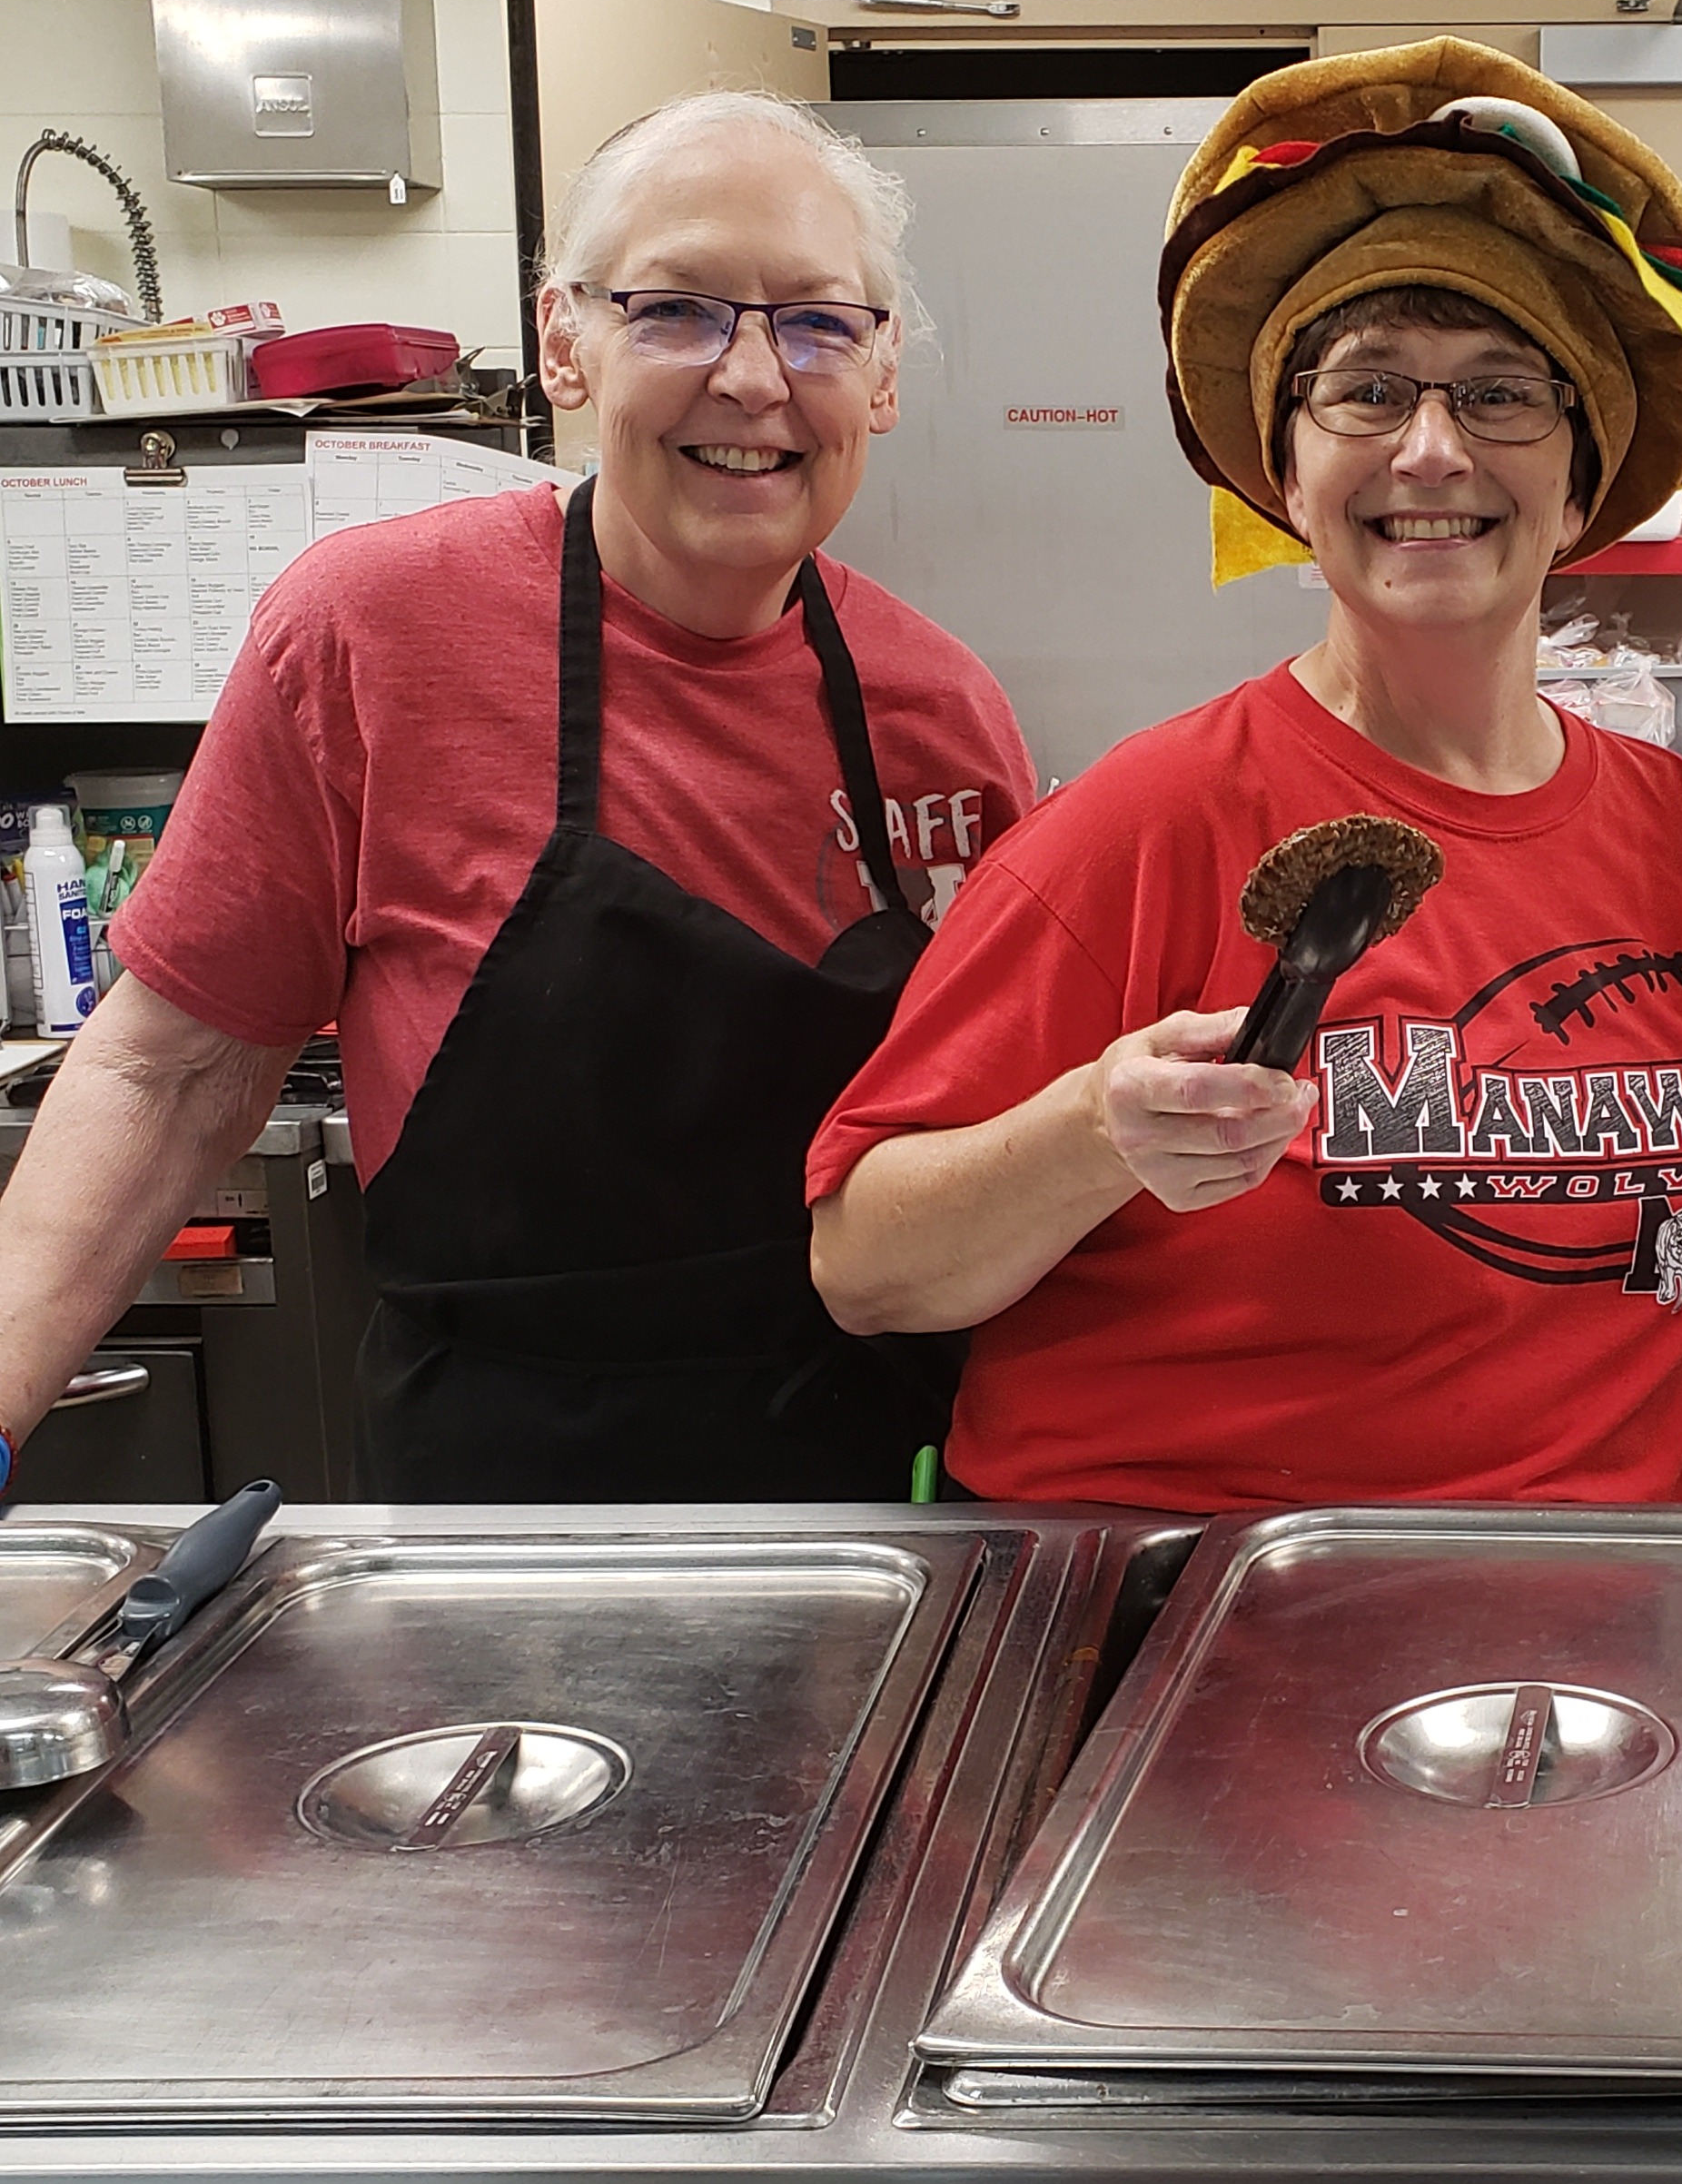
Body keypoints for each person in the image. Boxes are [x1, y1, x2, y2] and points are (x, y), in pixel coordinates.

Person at [806, 36, 1682, 1551]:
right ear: (1283, 471)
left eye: (1502, 395)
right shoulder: (1142, 826)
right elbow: (865, 1263)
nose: (1432, 449)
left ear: (1580, 477)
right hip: (1172, 1627)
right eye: (1364, 391)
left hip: (1581, 1629)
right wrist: (1098, 1130)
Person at [0, 90, 1031, 1500]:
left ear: (885, 370)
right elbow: (166, 1073)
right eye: (676, 309)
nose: (751, 378)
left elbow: (995, 1149)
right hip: (493, 1521)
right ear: (565, 343)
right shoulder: (374, 633)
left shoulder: (944, 715)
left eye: (816, 321)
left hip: (868, 1511)